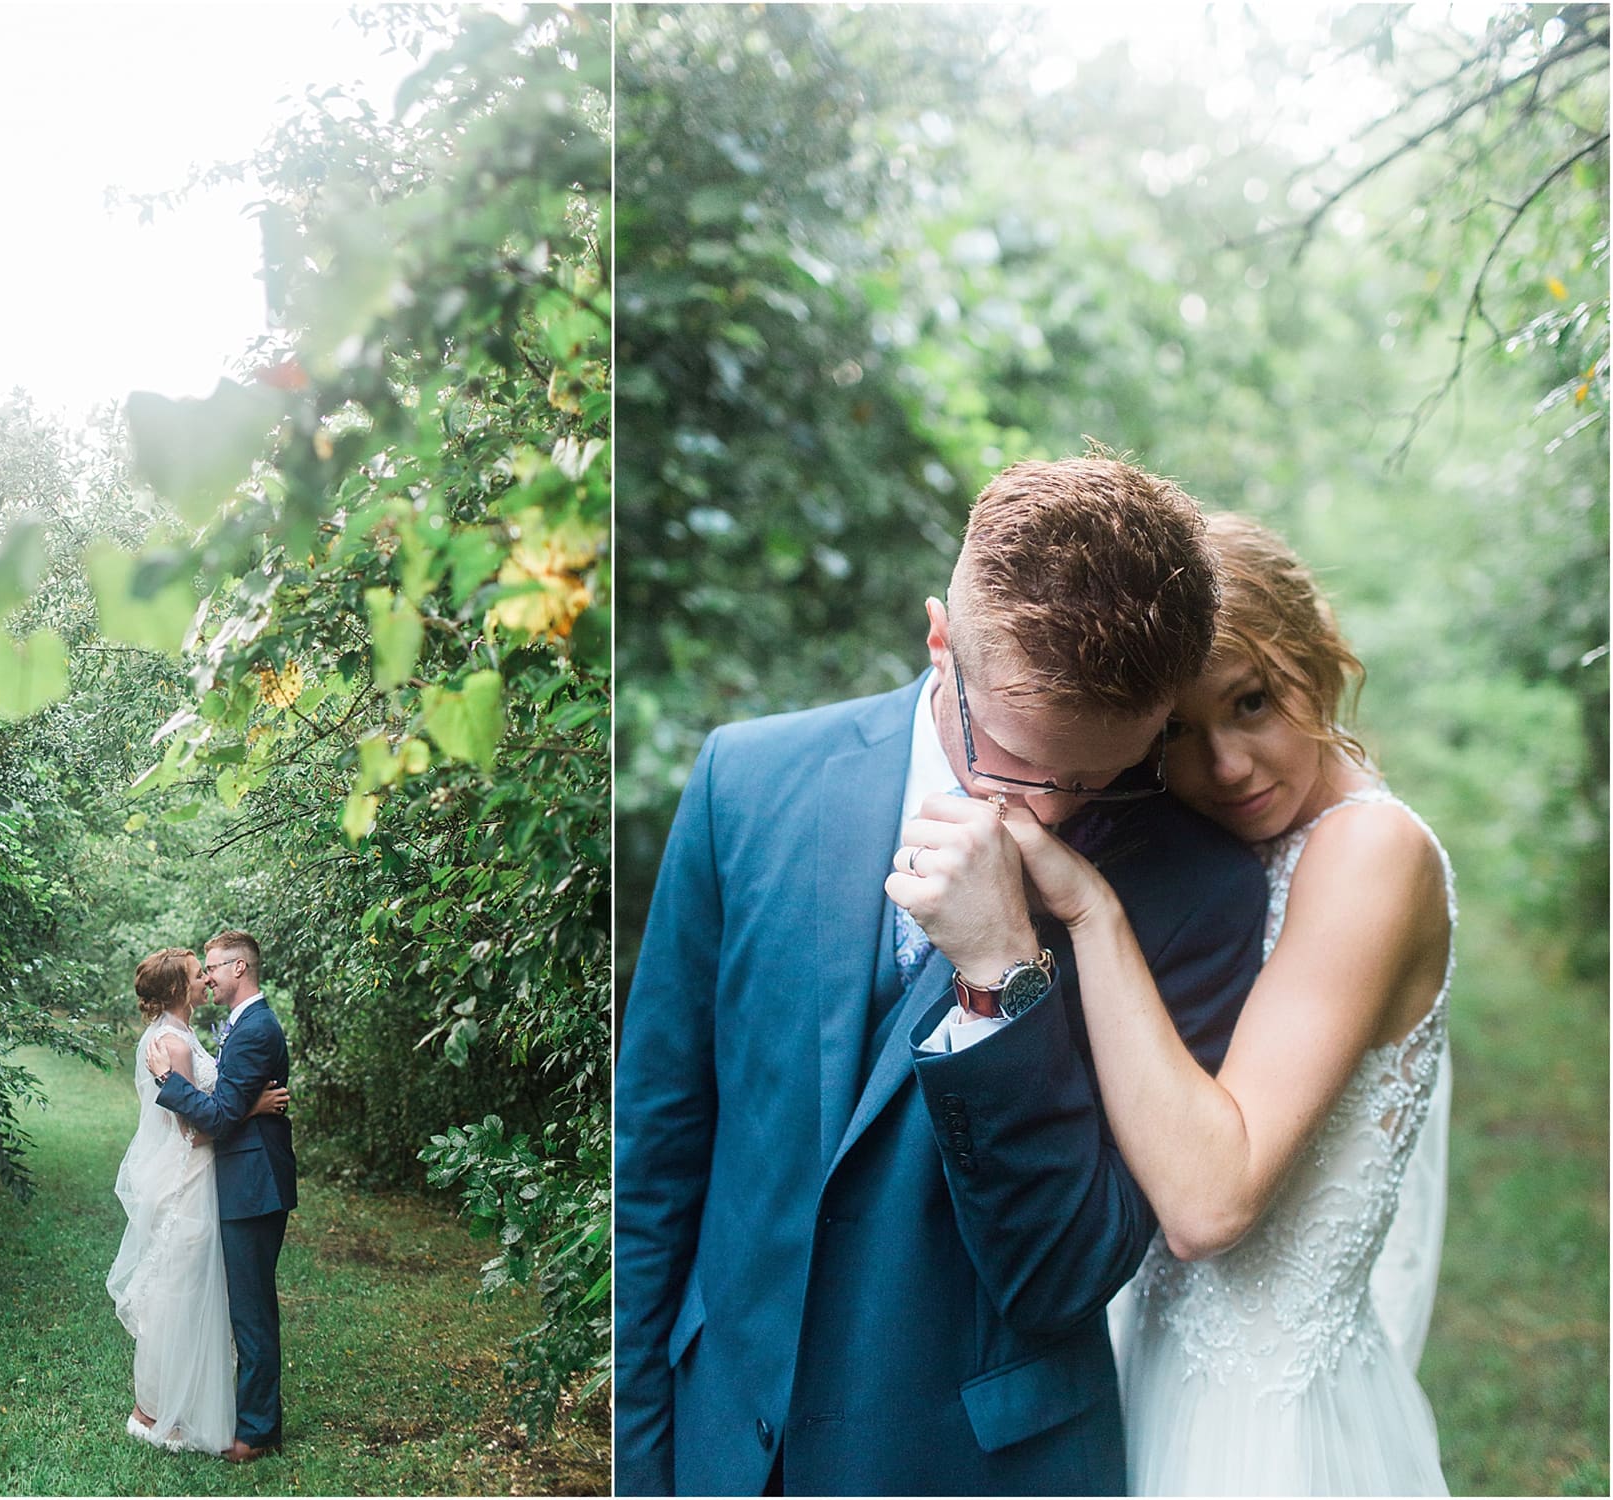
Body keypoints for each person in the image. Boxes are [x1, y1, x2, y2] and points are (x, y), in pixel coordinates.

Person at [614, 456, 1268, 1496]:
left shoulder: (1200, 892)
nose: (1050, 815)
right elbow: (654, 1156)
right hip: (719, 1444)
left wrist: (1000, 976)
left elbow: (1064, 1276)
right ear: (937, 642)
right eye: (1013, 759)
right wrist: (637, 1461)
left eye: (1102, 775)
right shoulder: (746, 781)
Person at [906, 513, 1452, 1494]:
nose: (1227, 767)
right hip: (1150, 1370)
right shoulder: (1224, 857)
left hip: (1262, 1425)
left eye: (1252, 702)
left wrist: (1086, 908)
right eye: (1177, 736)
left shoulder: (1369, 852)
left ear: (1316, 652)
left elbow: (1207, 1204)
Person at [106, 946, 286, 1454]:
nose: (206, 978)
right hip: (191, 1177)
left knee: (187, 1293)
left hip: (205, 1178)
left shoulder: (180, 1035)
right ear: (178, 989)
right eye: (196, 973)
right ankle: (158, 1410)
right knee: (181, 1296)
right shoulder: (173, 1044)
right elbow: (194, 1133)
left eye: (209, 970)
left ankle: (166, 1407)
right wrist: (251, 1109)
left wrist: (241, 1106)